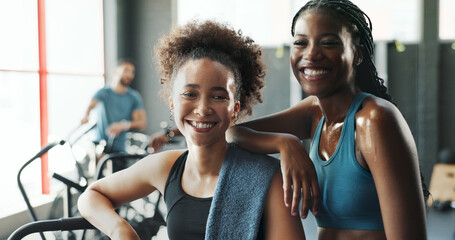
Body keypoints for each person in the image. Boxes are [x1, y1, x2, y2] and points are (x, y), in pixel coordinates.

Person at [78, 20, 306, 240]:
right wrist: (121, 231)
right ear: (172, 103)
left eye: (218, 96)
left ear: (235, 108)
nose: (203, 109)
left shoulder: (269, 178)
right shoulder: (166, 167)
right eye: (190, 94)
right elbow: (91, 195)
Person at [225, 0, 429, 239]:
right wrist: (286, 144)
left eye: (329, 43)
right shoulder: (314, 112)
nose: (311, 54)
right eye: (301, 42)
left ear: (358, 54)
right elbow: (232, 134)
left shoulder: (375, 120)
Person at [81, 61, 147, 154]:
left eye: (132, 72)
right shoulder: (103, 93)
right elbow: (90, 106)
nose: (129, 74)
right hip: (99, 146)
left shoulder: (134, 97)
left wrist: (123, 125)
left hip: (119, 149)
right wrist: (85, 116)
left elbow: (141, 123)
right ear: (116, 71)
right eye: (126, 70)